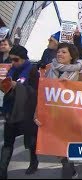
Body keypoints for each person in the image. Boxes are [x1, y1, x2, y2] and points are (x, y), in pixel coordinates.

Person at [34, 43, 82, 179]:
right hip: (53, 115)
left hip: (70, 116)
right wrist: (37, 113)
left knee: (65, 148)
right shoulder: (50, 69)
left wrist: (69, 86)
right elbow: (43, 94)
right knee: (59, 150)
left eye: (64, 52)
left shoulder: (79, 70)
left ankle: (68, 173)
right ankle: (70, 169)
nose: (59, 54)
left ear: (71, 56)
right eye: (58, 52)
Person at [0, 45, 39, 179]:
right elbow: (7, 89)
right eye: (11, 60)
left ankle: (34, 161)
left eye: (16, 60)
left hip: (27, 112)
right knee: (8, 143)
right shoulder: (12, 70)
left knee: (31, 142)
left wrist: (19, 87)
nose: (13, 63)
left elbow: (35, 92)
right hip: (11, 111)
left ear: (24, 59)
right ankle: (3, 171)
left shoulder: (33, 70)